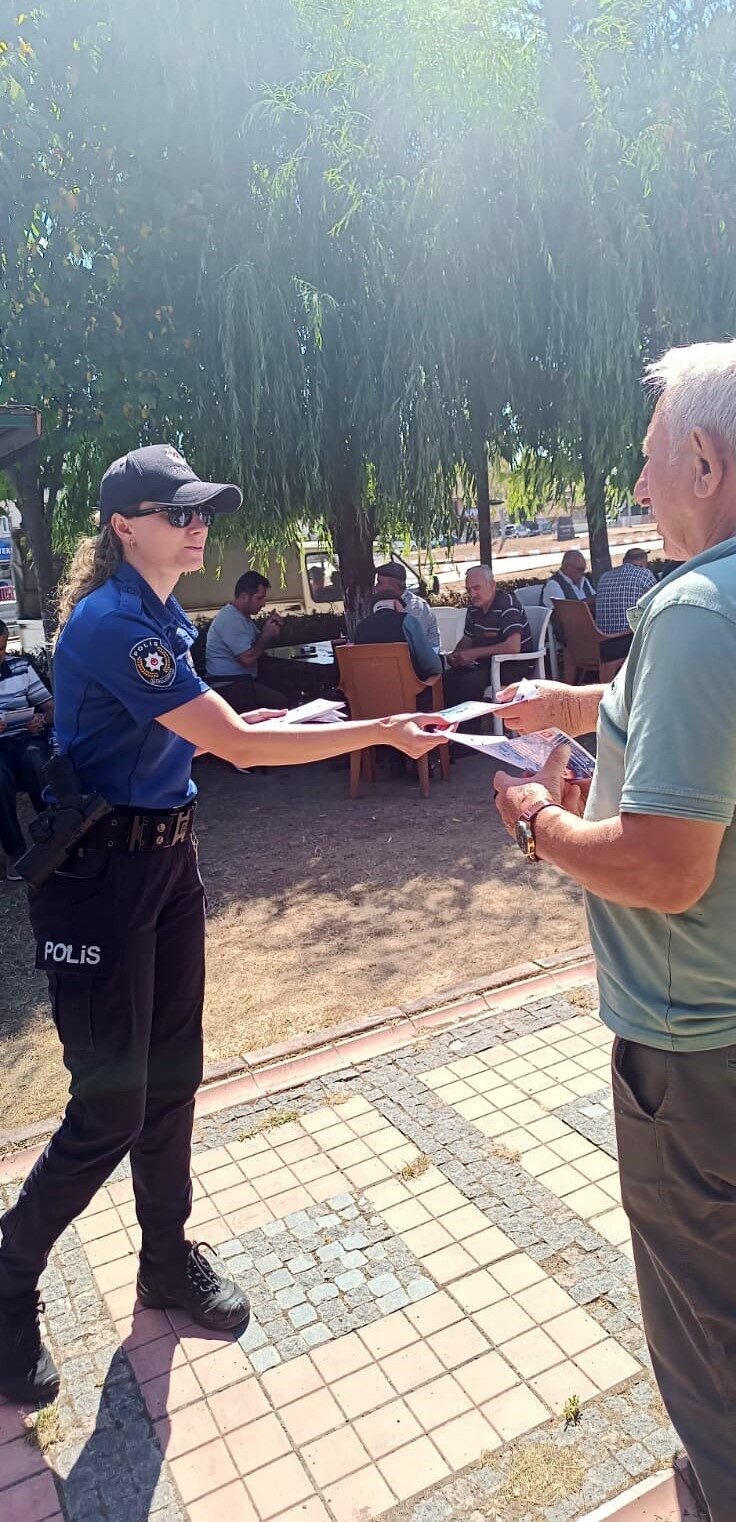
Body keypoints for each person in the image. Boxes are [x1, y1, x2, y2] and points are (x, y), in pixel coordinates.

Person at [492, 340, 736, 1522]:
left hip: (713, 1056)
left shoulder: (703, 607)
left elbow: (665, 869)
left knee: (734, 1374)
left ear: (706, 462)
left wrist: (540, 824)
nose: (639, 480)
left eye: (653, 455)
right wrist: (585, 729)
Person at [0, 443, 446, 1408]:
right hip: (101, 883)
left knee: (173, 1079)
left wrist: (294, 723)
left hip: (165, 863)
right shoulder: (117, 622)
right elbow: (234, 747)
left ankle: (165, 1260)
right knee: (110, 1106)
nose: (197, 525)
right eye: (178, 512)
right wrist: (376, 728)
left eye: (201, 511)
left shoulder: (162, 616)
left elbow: (203, 738)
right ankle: (7, 1280)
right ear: (125, 527)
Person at [0, 619, 54, 881]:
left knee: (36, 760)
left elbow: (51, 708)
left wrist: (41, 720)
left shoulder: (20, 668)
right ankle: (16, 852)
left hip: (24, 738)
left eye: (1, 648)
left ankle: (52, 837)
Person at [204, 571, 301, 711]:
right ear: (244, 596)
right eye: (259, 598)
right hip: (230, 686)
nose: (263, 603)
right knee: (280, 702)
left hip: (243, 682)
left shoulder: (242, 617)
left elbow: (256, 643)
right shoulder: (230, 619)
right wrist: (267, 634)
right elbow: (247, 658)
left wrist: (270, 627)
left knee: (291, 687)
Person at [444, 564, 532, 706]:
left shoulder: (507, 605)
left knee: (470, 682)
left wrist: (474, 653)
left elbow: (513, 647)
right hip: (487, 663)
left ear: (492, 585)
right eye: (469, 590)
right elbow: (468, 639)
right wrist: (456, 655)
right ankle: (449, 719)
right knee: (448, 677)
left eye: (477, 588)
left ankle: (472, 720)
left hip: (515, 664)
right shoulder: (474, 609)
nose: (472, 594)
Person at [353, 591, 442, 683]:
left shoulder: (360, 627)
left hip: (370, 689)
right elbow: (432, 665)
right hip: (409, 688)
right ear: (396, 604)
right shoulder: (407, 620)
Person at [592, 546, 656, 661]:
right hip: (626, 641)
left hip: (600, 642)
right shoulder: (644, 574)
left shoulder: (604, 577)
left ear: (624, 561)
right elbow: (657, 601)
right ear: (643, 563)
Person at [374, 561, 440, 654]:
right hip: (399, 654)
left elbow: (414, 643)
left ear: (395, 587)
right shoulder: (384, 604)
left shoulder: (416, 608)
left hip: (425, 657)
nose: (376, 587)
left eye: (379, 583)